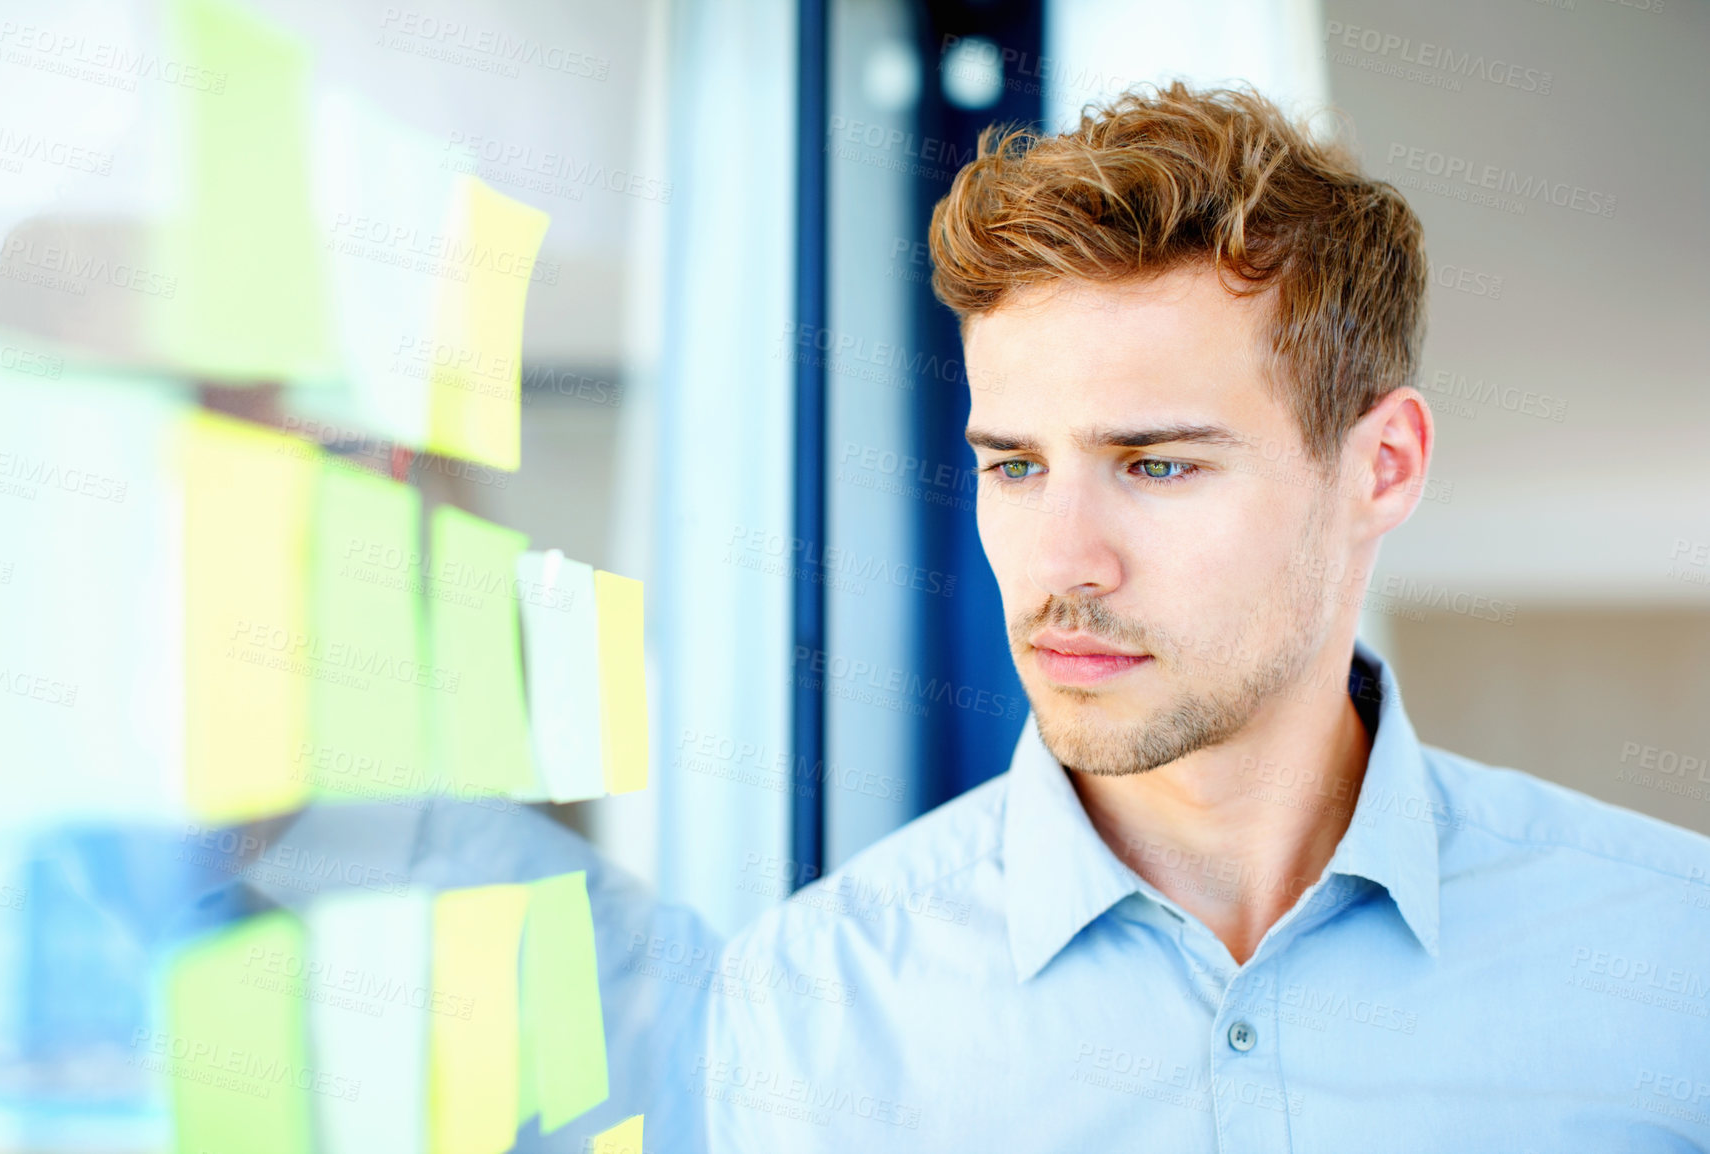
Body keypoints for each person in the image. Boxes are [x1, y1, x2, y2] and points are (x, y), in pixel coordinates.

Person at [693, 82, 1710, 1151]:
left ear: (1381, 467)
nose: (1062, 561)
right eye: (1017, 464)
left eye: (1158, 463)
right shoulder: (810, 1005)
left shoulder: (1675, 956)